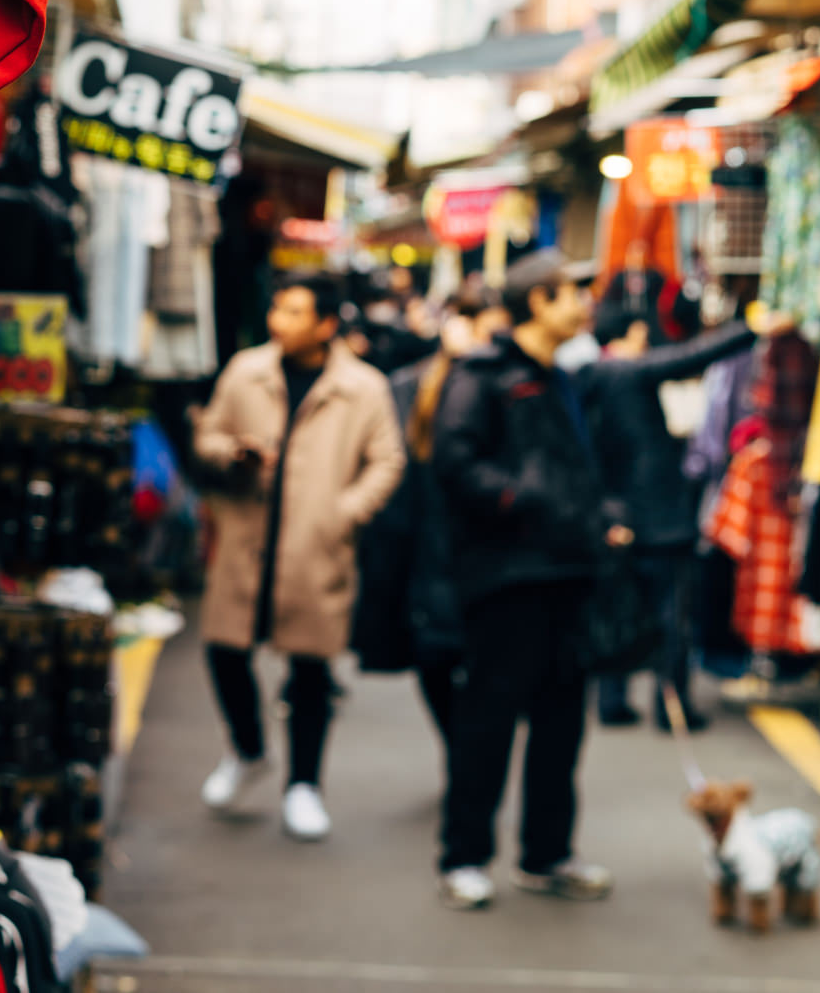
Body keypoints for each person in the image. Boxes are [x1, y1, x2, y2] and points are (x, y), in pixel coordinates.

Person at [431, 249, 624, 910]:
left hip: (567, 573)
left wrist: (599, 515)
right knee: (487, 718)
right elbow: (454, 462)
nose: (585, 302)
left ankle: (546, 853)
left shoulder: (563, 375)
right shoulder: (482, 374)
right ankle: (463, 854)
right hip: (506, 578)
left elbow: (574, 468)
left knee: (561, 723)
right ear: (539, 301)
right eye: (574, 291)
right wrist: (521, 499)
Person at [192, 274, 406, 841]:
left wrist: (345, 512)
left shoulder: (363, 387)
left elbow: (387, 461)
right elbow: (208, 435)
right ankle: (248, 749)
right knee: (224, 651)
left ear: (326, 324)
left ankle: (303, 786)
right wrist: (231, 452)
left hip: (316, 546)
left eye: (293, 311)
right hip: (246, 540)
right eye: (277, 308)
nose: (277, 321)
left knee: (311, 670)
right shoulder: (246, 371)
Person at [581, 304, 756, 731]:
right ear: (633, 332)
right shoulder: (629, 371)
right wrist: (750, 328)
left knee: (620, 603)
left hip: (616, 515)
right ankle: (672, 705)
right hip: (661, 519)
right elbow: (693, 356)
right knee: (670, 614)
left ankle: (613, 699)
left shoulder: (587, 376)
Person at [353, 287, 510, 741]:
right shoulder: (411, 387)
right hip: (426, 546)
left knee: (483, 664)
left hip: (484, 549)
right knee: (435, 659)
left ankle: (470, 763)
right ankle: (461, 751)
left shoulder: (507, 386)